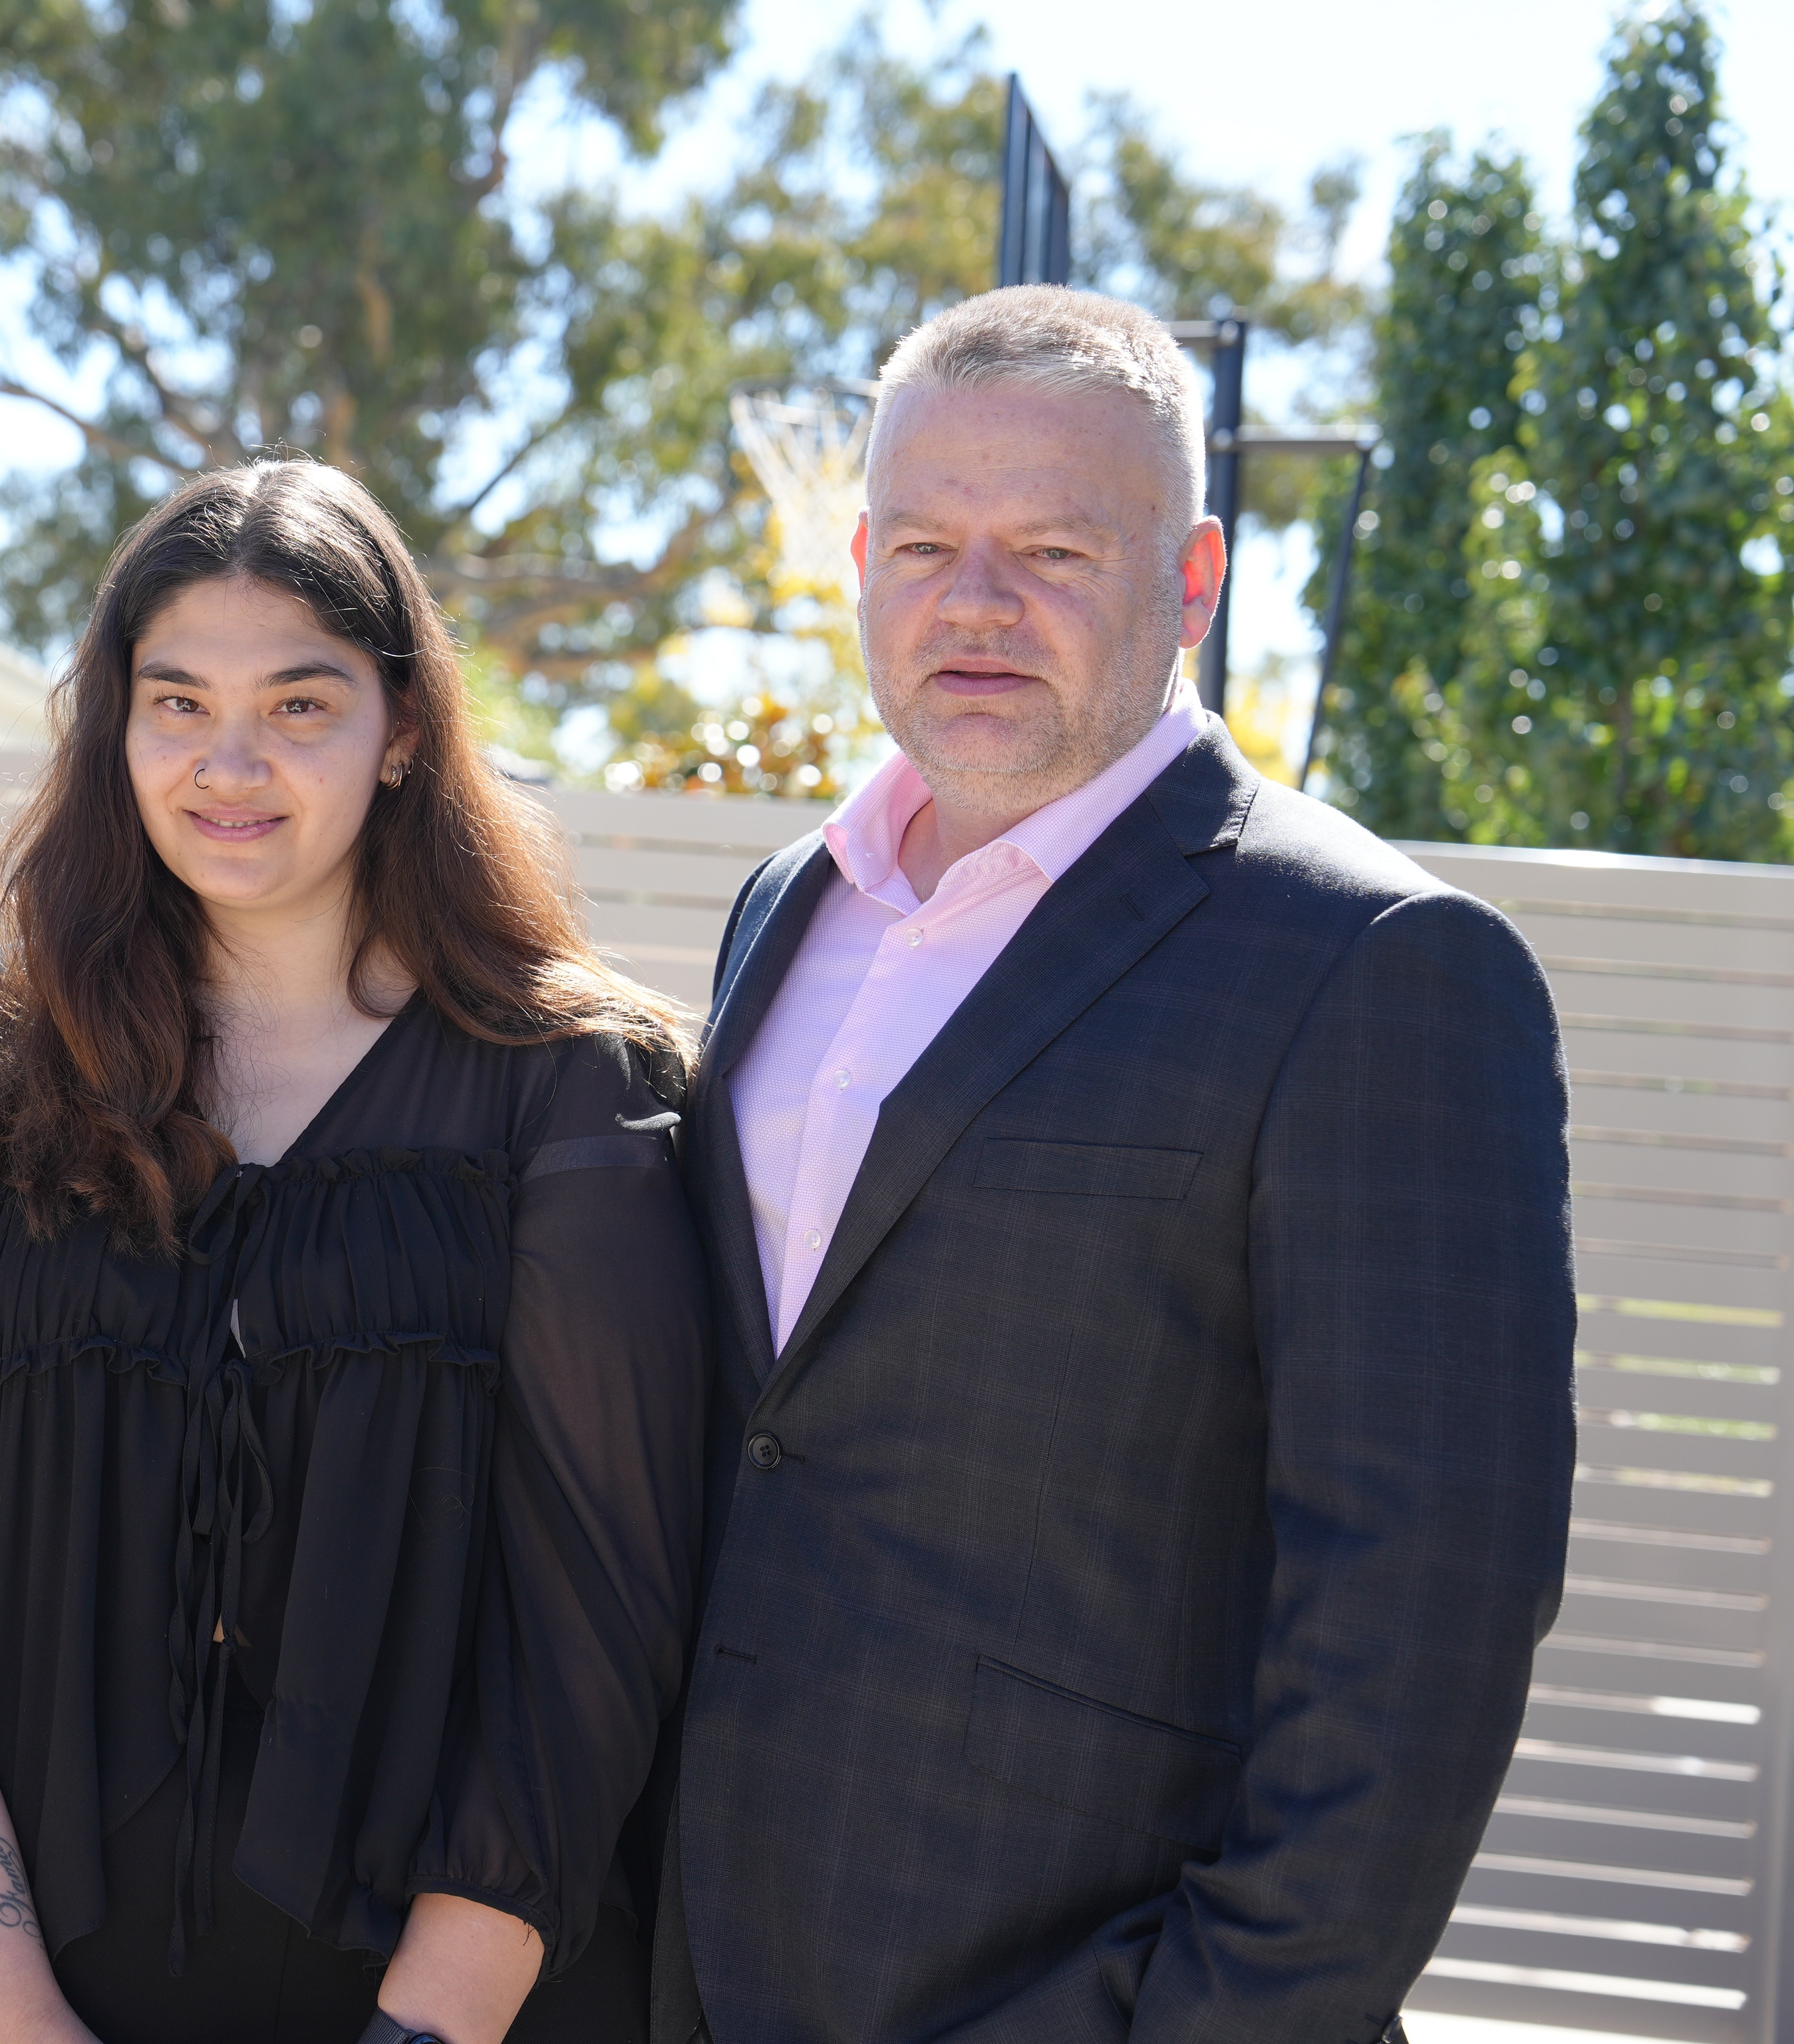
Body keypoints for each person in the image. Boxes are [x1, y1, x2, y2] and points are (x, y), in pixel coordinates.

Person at [657, 284, 1575, 2044]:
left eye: (1056, 550)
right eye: (926, 543)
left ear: (1196, 578)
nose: (977, 601)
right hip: (708, 1969)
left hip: (1077, 1997)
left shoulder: (1381, 968)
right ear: (858, 560)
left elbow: (1423, 1626)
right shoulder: (788, 906)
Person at [0, 458, 708, 2044]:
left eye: (302, 705)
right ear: (115, 727)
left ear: (405, 731)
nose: (230, 763)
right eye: (177, 701)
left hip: (430, 2009)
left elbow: (595, 1622)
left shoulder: (572, 1088)